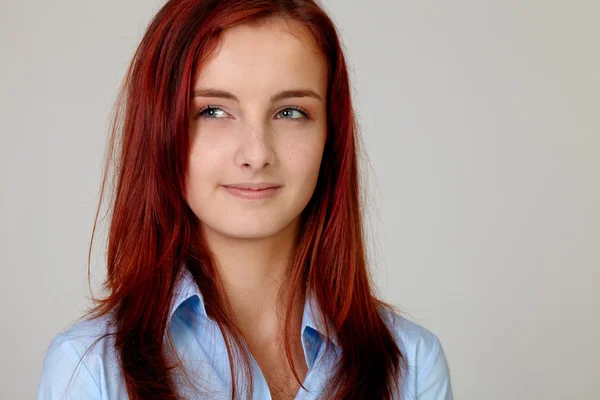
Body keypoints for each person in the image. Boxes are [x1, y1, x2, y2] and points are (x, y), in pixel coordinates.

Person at [36, 0, 453, 399]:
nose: (256, 155)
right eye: (213, 111)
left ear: (331, 135)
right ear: (159, 131)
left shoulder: (412, 364)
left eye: (290, 112)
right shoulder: (89, 368)